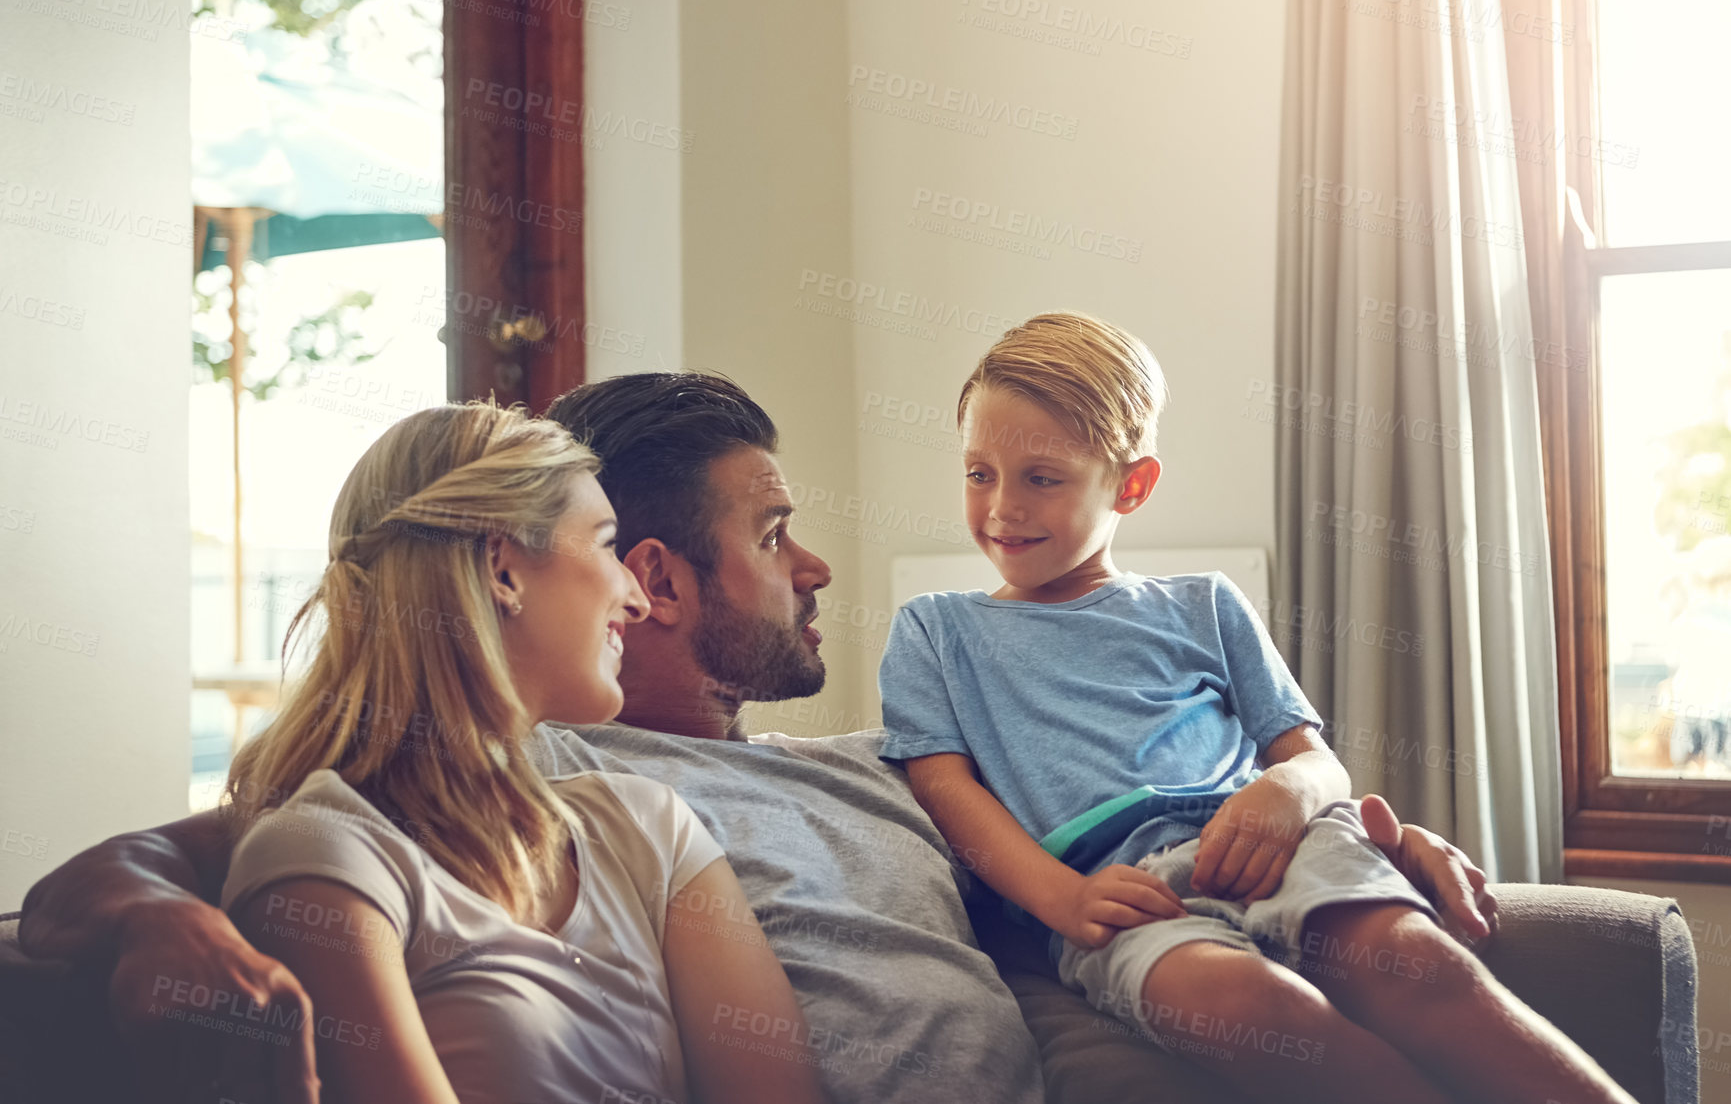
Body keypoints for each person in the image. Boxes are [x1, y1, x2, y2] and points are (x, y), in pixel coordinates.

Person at [20, 372, 1499, 1104]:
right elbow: (201, 846)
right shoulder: (542, 773)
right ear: (647, 578)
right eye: (774, 533)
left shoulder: (877, 767)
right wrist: (144, 911)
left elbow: (1111, 854)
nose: (816, 571)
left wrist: (1321, 812)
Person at [877, 312, 1635, 1104]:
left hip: (1279, 846)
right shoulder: (934, 630)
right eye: (977, 473)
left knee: (1418, 968)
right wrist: (1062, 899)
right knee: (1246, 1010)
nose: (1001, 507)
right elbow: (945, 791)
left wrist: (1285, 793)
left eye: (1042, 478)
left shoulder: (1203, 604)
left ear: (1130, 484)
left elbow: (1314, 762)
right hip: (1123, 893)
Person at [194, 402, 821, 1104]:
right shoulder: (328, 858)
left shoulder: (648, 828)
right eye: (607, 544)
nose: (634, 598)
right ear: (503, 568)